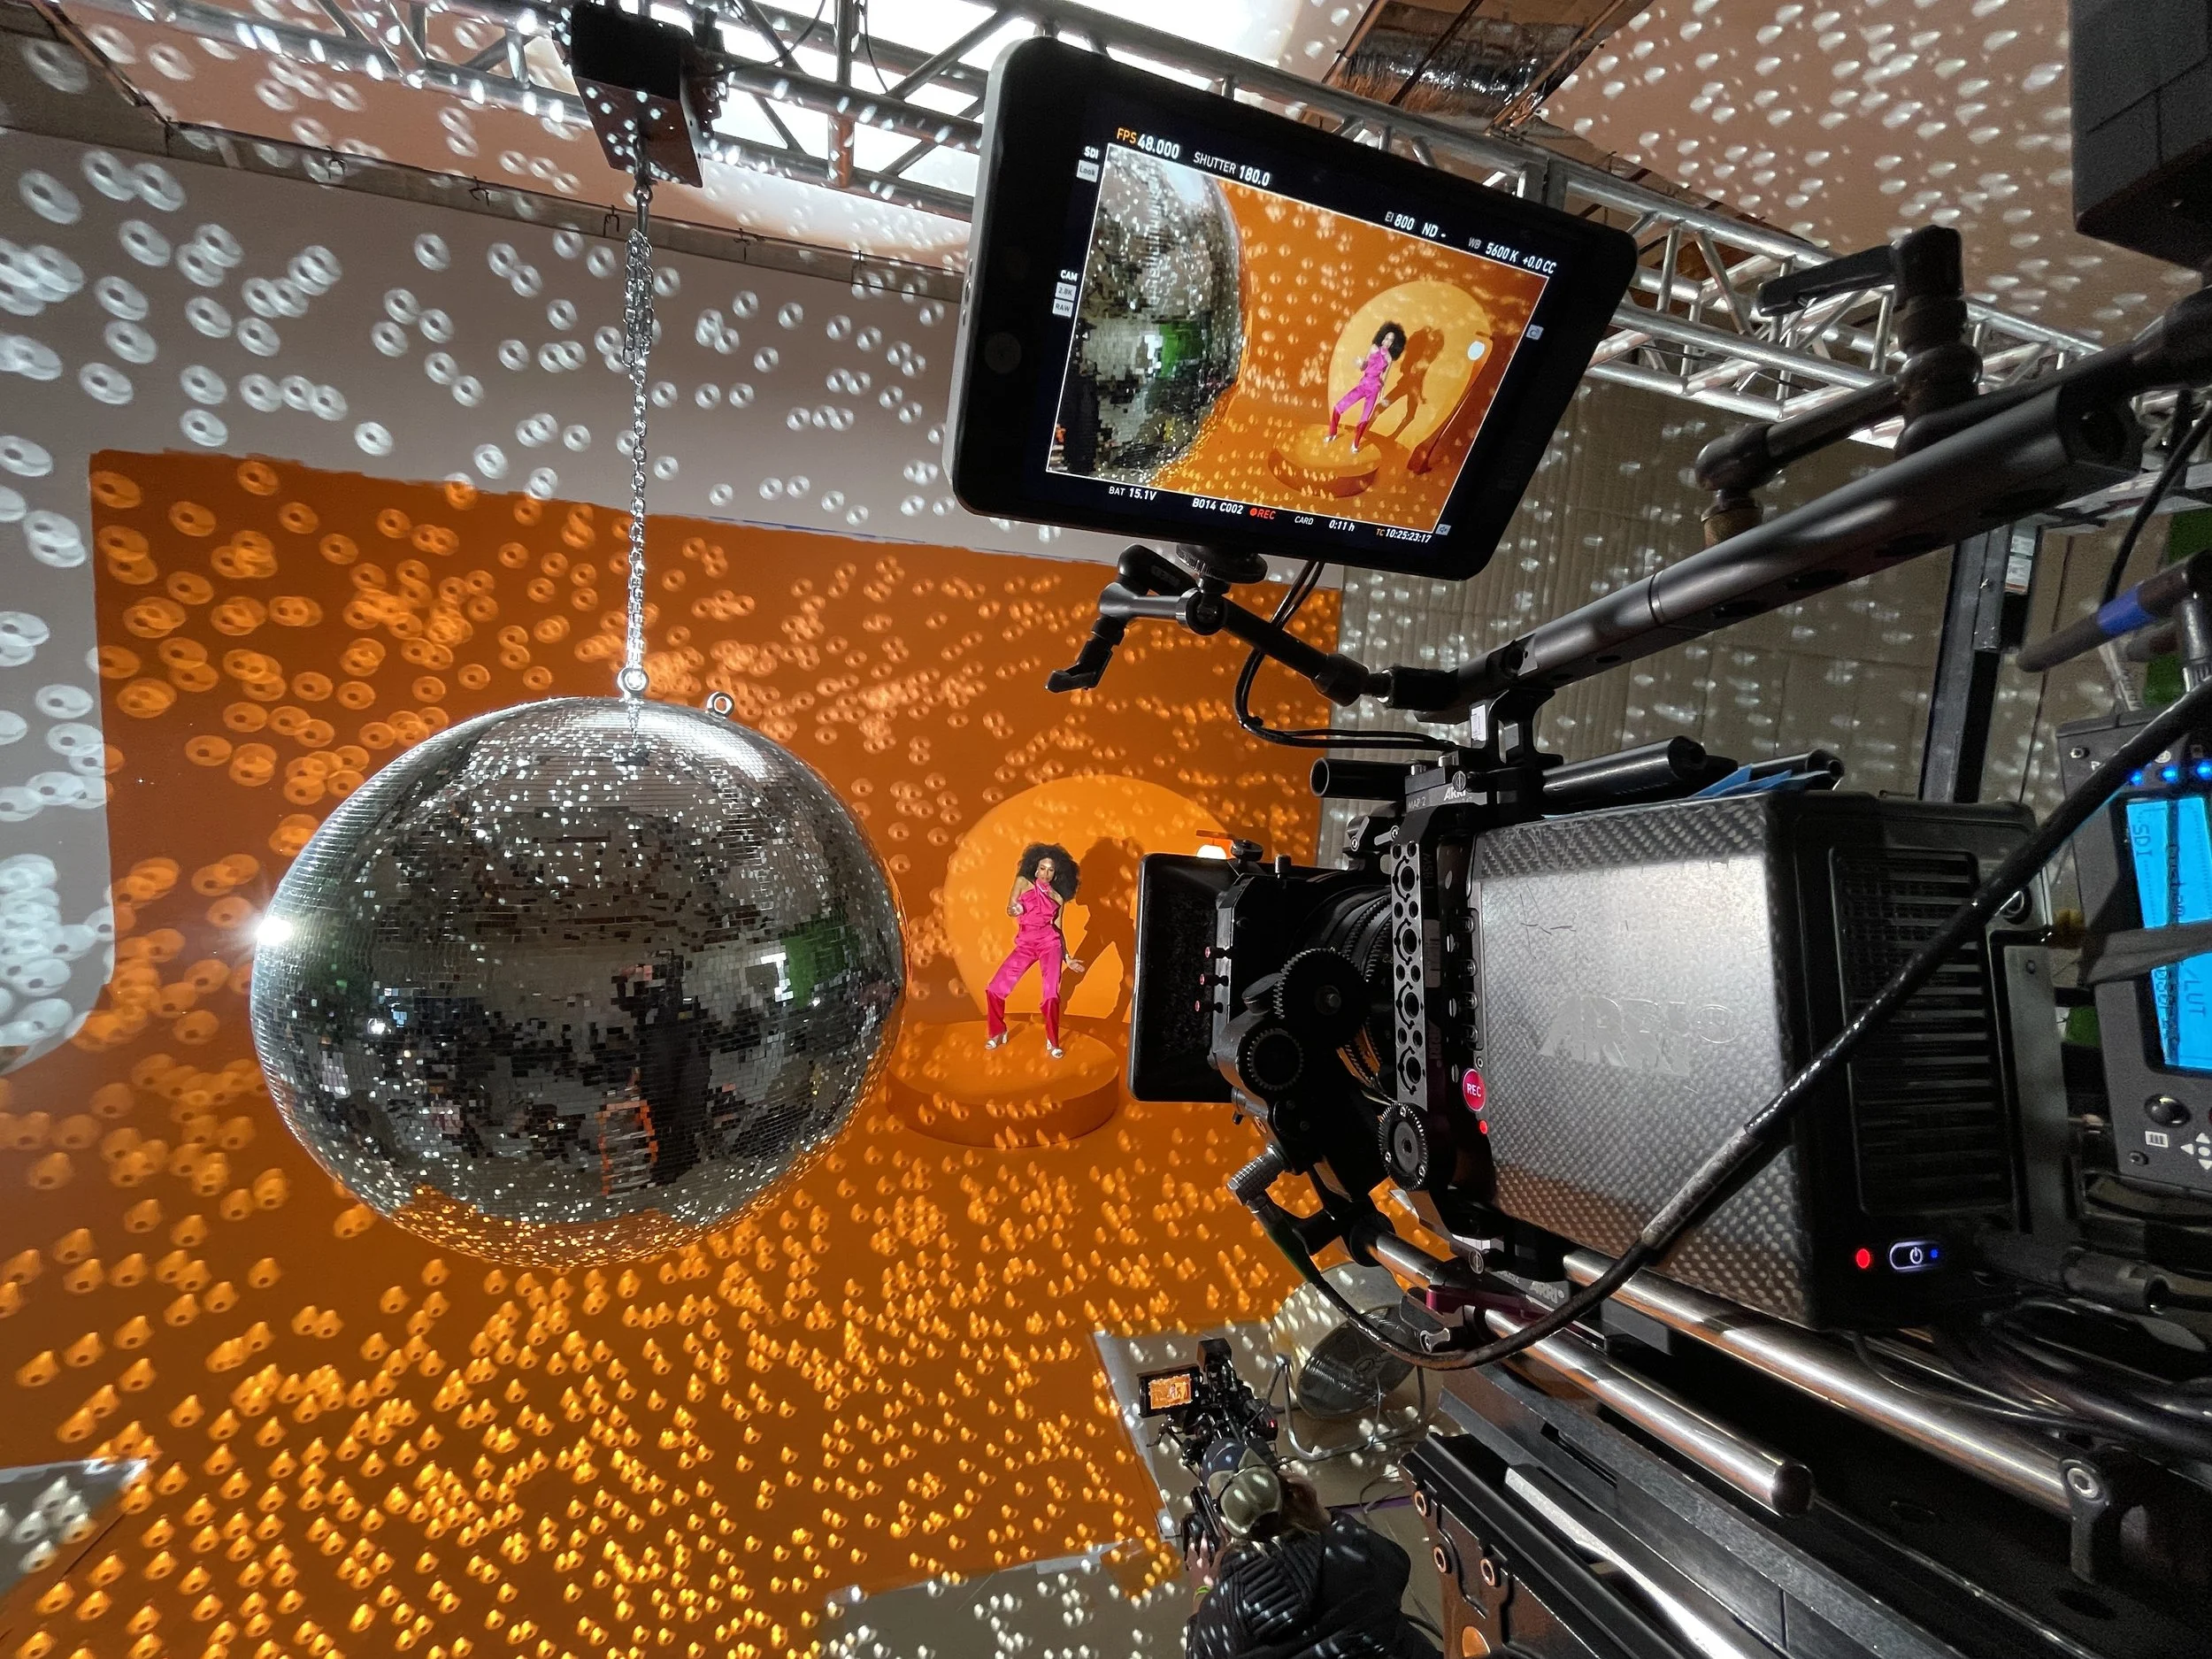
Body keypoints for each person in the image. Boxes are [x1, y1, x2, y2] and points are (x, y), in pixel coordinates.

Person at [1183, 1467, 1441, 1659]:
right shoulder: (1349, 1546)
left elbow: (1198, 1654)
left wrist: (1202, 1592)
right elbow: (1398, 1563)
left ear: (1227, 1532)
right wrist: (1320, 1514)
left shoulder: (1220, 1612)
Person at [985, 843, 1086, 1058]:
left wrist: (1067, 958)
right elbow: (1010, 907)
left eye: (1051, 870)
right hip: (1026, 944)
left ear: (1056, 873)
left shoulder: (1057, 898)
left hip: (1050, 944)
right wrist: (1015, 909)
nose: (1046, 874)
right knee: (994, 988)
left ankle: (1052, 1041)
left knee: (1051, 994)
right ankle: (997, 1031)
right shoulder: (1023, 883)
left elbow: (1058, 928)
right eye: (1042, 868)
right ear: (1035, 868)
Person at [1325, 321, 1408, 454]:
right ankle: (1332, 433)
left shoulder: (1389, 358)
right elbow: (1364, 367)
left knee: (1364, 418)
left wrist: (1381, 396)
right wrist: (1360, 363)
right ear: (1382, 337)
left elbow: (1384, 378)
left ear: (1394, 344)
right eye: (1386, 338)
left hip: (1374, 389)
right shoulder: (1373, 348)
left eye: (1391, 340)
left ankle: (1355, 444)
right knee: (1339, 407)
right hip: (1363, 384)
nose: (1387, 342)